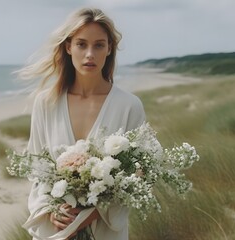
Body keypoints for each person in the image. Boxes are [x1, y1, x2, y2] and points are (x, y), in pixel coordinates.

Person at [19, 7, 146, 240]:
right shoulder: (46, 103)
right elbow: (37, 170)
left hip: (105, 232)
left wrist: (89, 215)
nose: (90, 54)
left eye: (99, 45)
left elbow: (137, 176)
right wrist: (50, 210)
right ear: (68, 47)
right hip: (55, 232)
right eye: (81, 44)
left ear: (109, 49)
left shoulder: (129, 106)